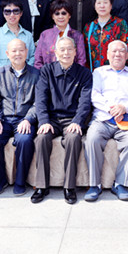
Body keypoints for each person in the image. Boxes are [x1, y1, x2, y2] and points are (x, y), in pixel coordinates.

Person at [32, 36, 93, 204]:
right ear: (56, 53)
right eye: (62, 49)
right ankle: (41, 186)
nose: (66, 53)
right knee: (42, 138)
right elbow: (41, 98)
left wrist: (77, 121)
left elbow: (85, 102)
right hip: (51, 119)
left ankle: (69, 186)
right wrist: (44, 121)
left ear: (75, 52)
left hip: (72, 119)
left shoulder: (84, 73)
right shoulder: (47, 70)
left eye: (69, 49)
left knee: (73, 138)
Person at [84, 41, 128, 202]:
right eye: (114, 51)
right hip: (102, 119)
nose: (117, 54)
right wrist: (111, 109)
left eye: (121, 51)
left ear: (127, 55)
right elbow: (94, 94)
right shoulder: (98, 72)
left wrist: (124, 107)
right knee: (92, 139)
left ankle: (120, 184)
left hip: (126, 119)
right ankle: (94, 185)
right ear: (107, 54)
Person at [0, 39, 39, 196]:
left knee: (25, 140)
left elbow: (39, 102)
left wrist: (28, 119)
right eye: (14, 51)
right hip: (4, 120)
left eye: (21, 50)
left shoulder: (36, 74)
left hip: (25, 119)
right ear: (7, 54)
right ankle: (0, 180)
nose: (17, 54)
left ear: (26, 52)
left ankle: (20, 181)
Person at [83, 0, 128, 70]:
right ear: (94, 6)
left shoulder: (120, 24)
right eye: (99, 3)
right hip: (94, 73)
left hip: (115, 72)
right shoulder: (89, 27)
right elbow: (84, 53)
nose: (102, 6)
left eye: (105, 2)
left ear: (111, 5)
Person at [0, 0, 36, 70]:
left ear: (21, 13)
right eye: (7, 12)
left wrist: (25, 71)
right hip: (3, 75)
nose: (12, 15)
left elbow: (33, 57)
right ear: (3, 14)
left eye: (16, 11)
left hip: (25, 75)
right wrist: (4, 72)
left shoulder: (28, 35)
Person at [33, 0, 86, 69]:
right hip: (48, 74)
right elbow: (38, 61)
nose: (60, 16)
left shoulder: (77, 36)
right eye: (57, 13)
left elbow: (81, 61)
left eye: (64, 13)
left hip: (72, 74)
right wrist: (45, 74)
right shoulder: (45, 35)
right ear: (52, 16)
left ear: (69, 15)